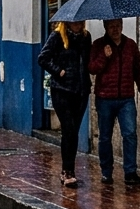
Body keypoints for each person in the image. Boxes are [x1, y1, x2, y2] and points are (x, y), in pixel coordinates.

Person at [38, 20, 92, 189]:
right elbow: (43, 58)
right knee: (68, 128)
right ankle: (67, 171)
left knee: (73, 132)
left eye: (81, 22)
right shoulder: (57, 36)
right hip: (62, 90)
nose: (79, 24)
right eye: (75, 22)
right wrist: (59, 71)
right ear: (68, 23)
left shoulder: (85, 37)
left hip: (81, 90)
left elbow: (88, 60)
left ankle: (68, 169)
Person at [88, 18, 140, 185]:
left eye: (118, 26)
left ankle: (130, 172)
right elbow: (92, 68)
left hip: (126, 98)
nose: (115, 29)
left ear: (122, 26)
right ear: (105, 27)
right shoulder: (98, 45)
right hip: (105, 98)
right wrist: (104, 56)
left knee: (130, 134)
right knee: (104, 137)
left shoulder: (131, 45)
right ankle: (106, 172)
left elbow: (138, 69)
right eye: (111, 26)